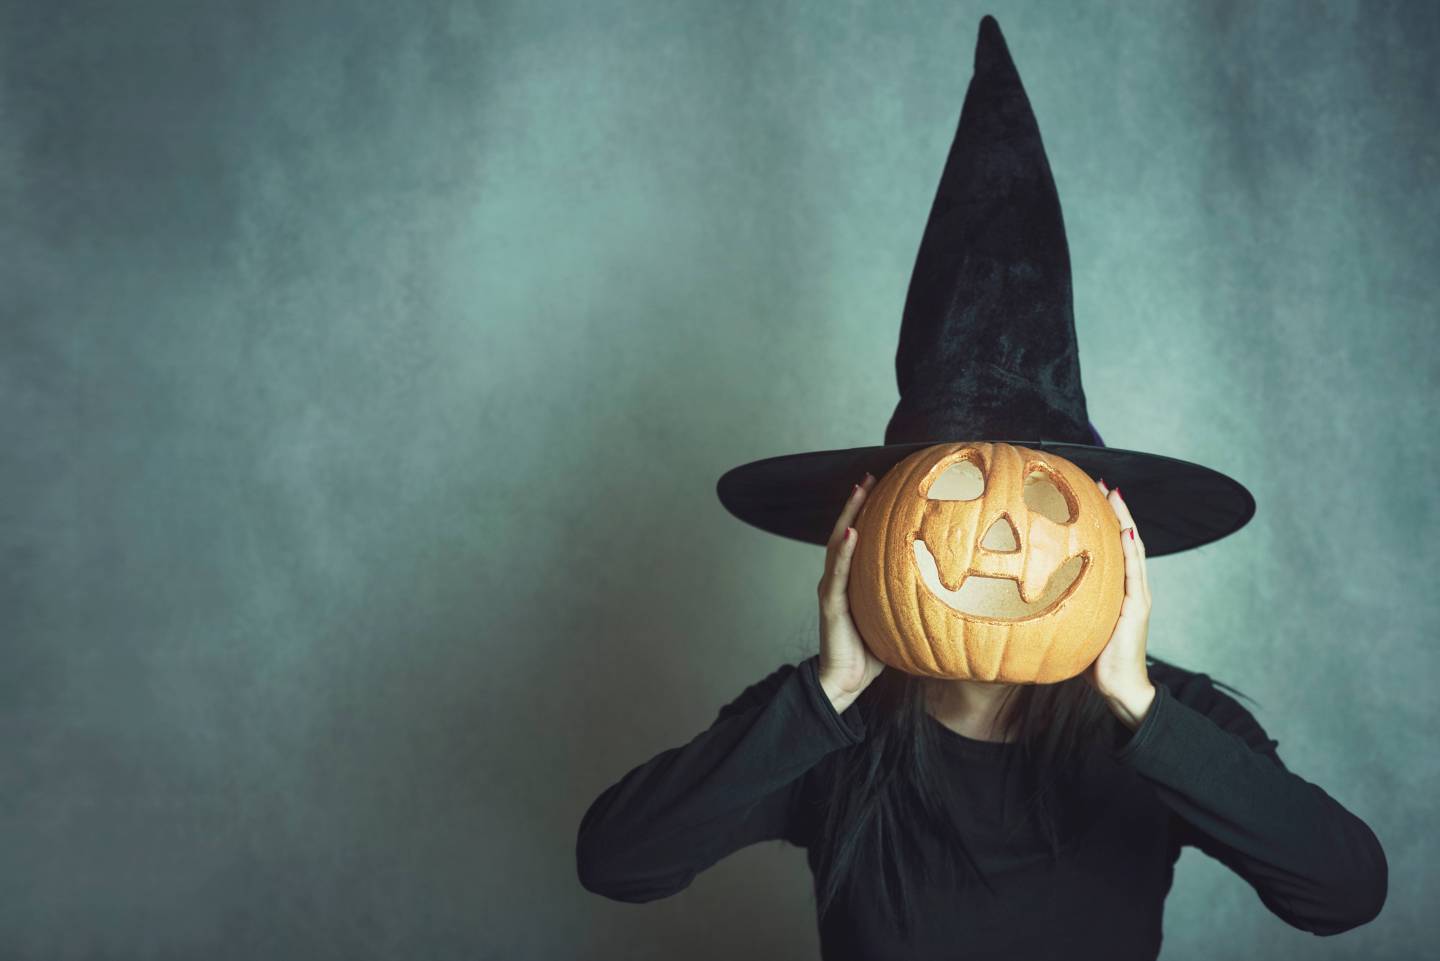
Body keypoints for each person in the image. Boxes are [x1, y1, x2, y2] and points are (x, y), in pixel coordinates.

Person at [575, 472, 1387, 959]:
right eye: (954, 483)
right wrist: (824, 695)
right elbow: (617, 861)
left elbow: (1345, 891)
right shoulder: (823, 717)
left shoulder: (1166, 718)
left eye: (1045, 495)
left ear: (1112, 542)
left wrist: (1140, 706)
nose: (1001, 533)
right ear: (865, 537)